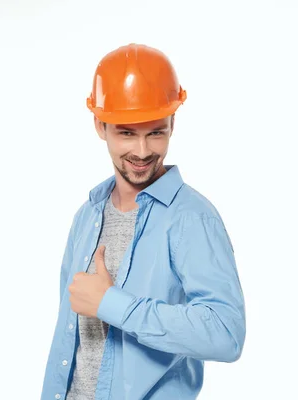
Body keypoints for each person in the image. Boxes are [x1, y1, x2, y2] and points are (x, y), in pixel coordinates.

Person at [40, 43, 246, 400]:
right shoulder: (87, 215)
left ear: (172, 123)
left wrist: (112, 303)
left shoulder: (192, 218)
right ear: (99, 125)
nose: (142, 151)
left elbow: (226, 334)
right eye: (126, 133)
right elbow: (71, 340)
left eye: (155, 132)